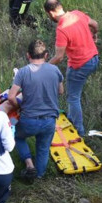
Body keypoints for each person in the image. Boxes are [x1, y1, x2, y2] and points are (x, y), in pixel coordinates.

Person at [8, 39, 64, 179]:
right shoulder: (55, 70)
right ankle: (39, 176)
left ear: (28, 55)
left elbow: (10, 97)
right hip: (50, 120)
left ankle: (29, 164)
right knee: (43, 149)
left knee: (16, 136)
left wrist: (18, 106)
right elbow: (61, 91)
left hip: (29, 120)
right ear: (46, 55)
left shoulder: (23, 72)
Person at [44, 0, 99, 136]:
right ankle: (73, 117)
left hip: (80, 65)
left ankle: (79, 131)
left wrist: (42, 67)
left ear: (51, 13)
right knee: (75, 94)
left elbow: (59, 57)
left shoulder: (62, 29)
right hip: (94, 58)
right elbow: (95, 23)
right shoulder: (77, 14)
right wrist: (95, 34)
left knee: (73, 97)